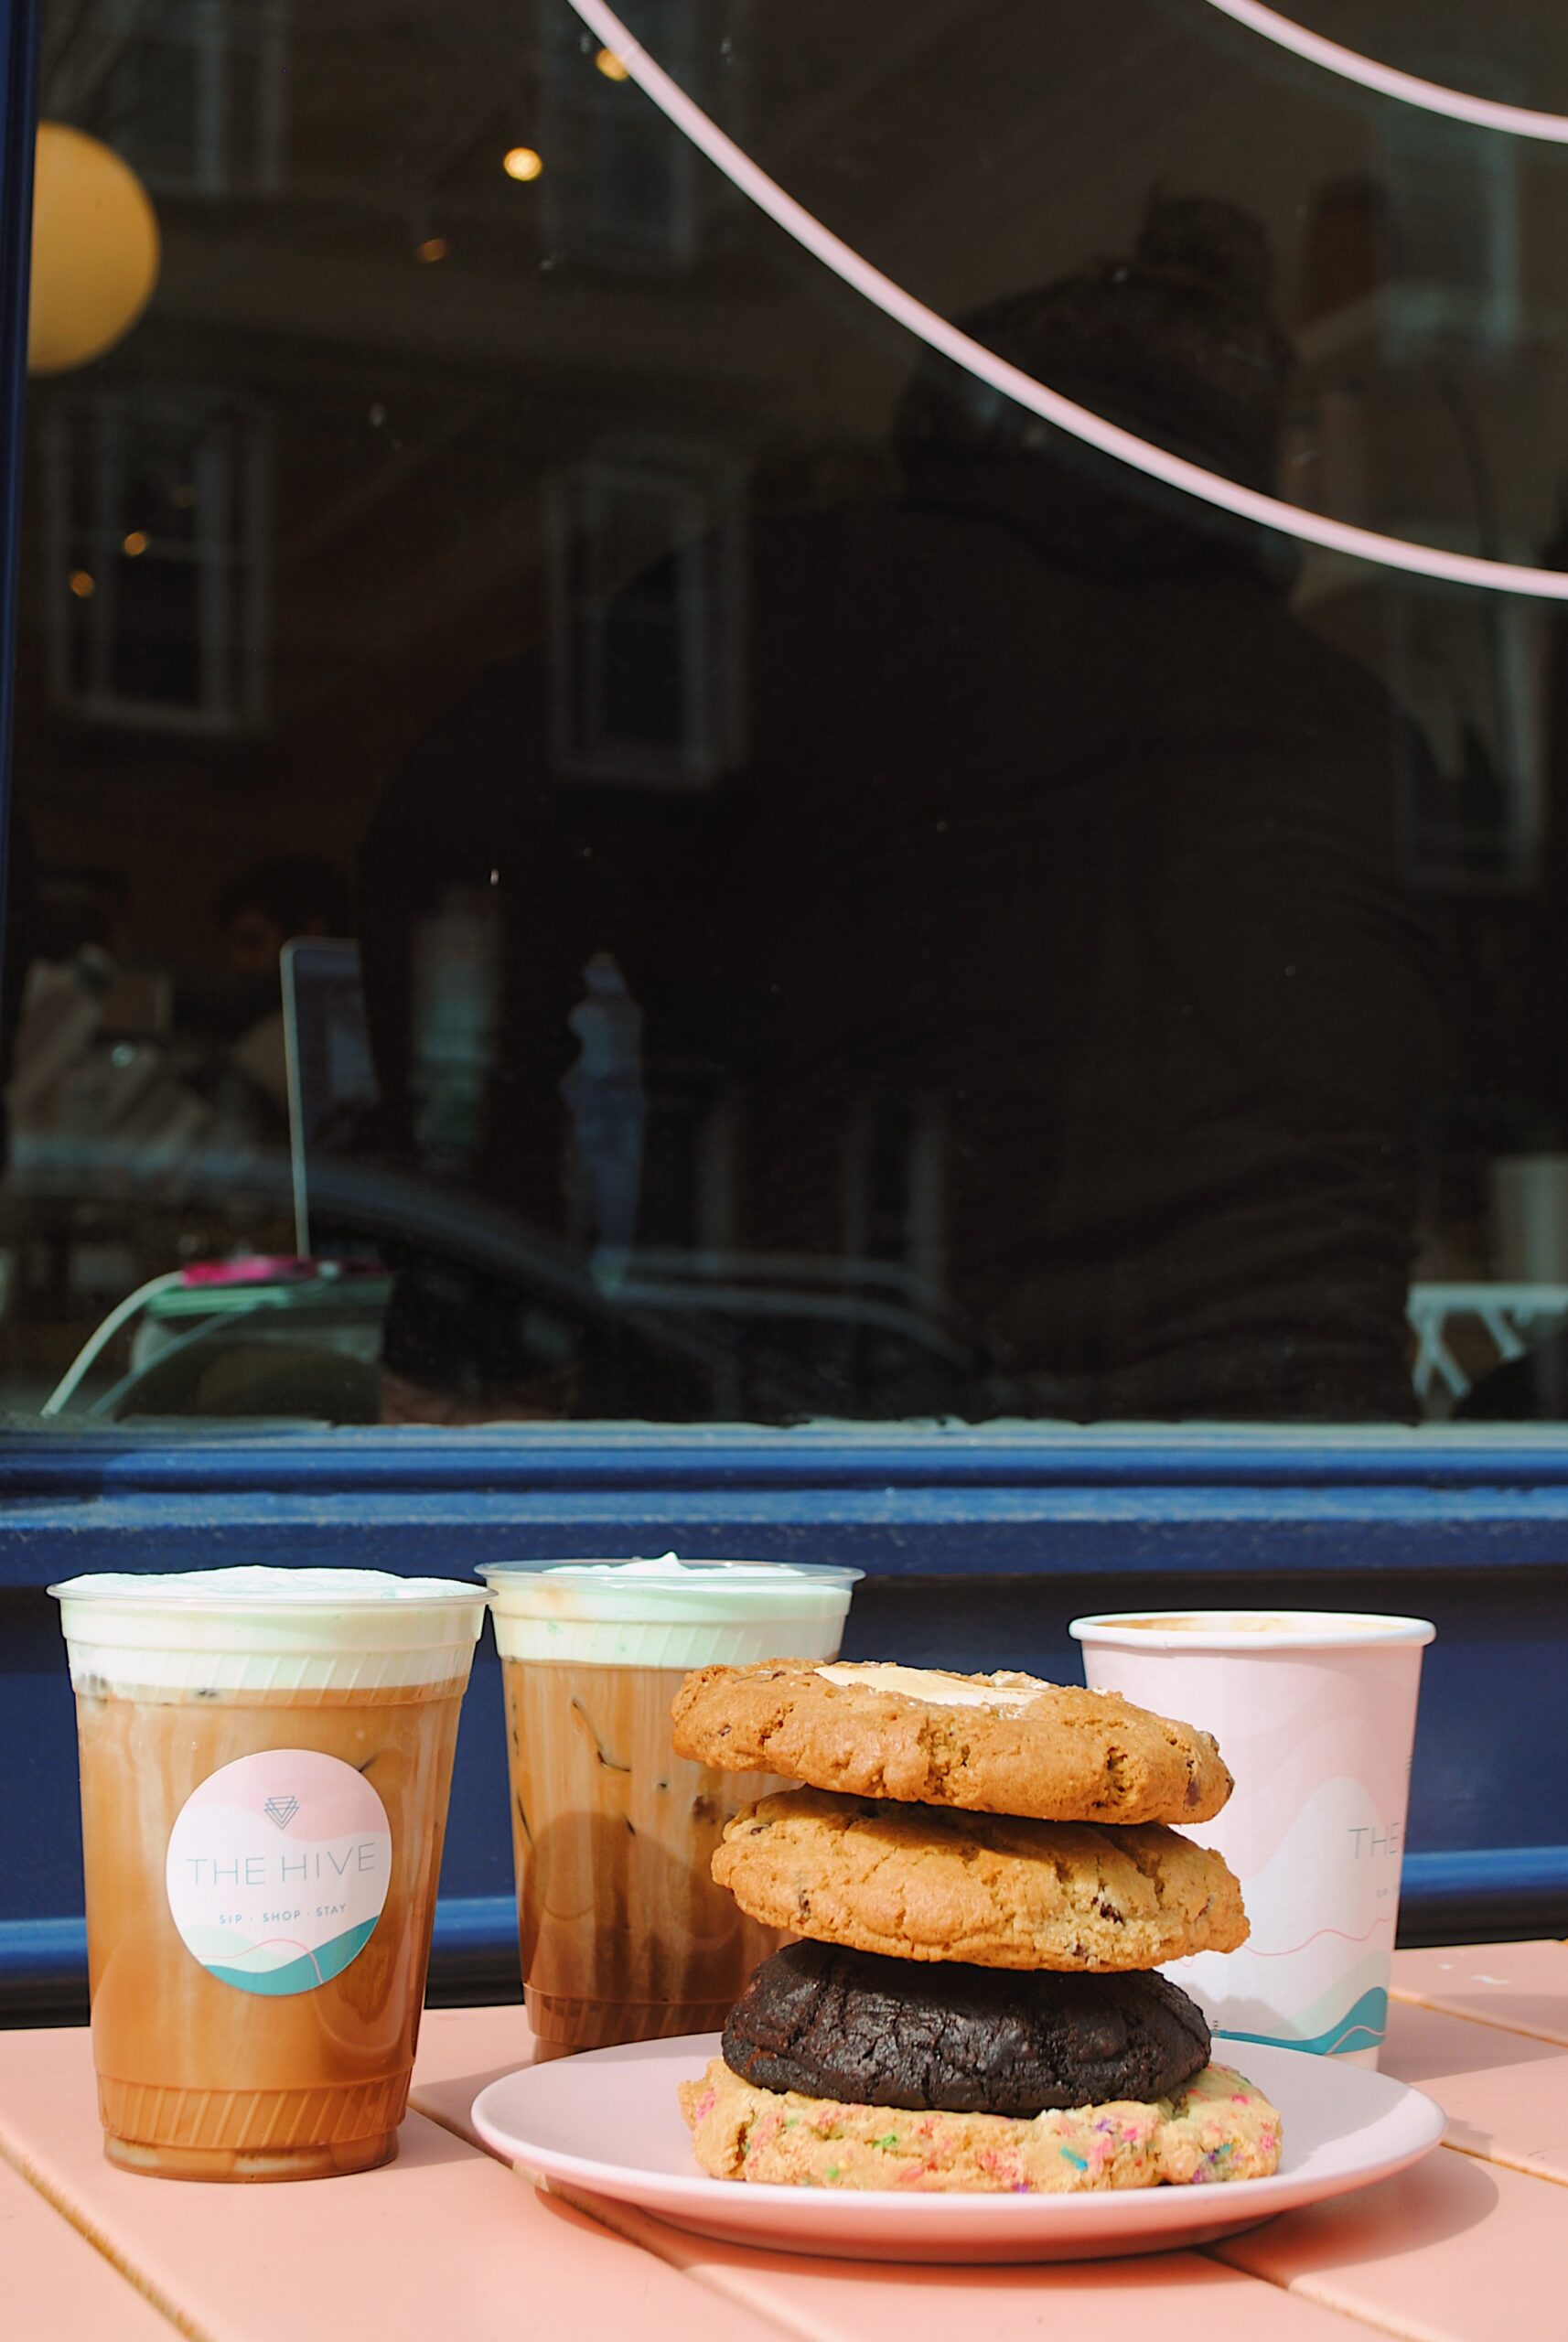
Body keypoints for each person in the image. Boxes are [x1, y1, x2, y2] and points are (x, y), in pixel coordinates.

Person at [357, 196, 1445, 1422]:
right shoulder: (1348, 725)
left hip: (860, 1452)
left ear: (954, 421)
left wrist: (482, 1314)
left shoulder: (810, 609)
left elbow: (461, 845)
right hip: (1298, 1479)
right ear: (1251, 469)